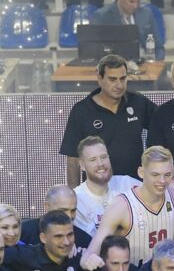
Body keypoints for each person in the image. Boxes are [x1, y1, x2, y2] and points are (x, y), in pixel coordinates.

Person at [82, 146, 174, 269]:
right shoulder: (121, 206)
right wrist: (88, 260)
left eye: (167, 174)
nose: (162, 181)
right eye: (155, 175)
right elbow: (91, 252)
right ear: (141, 172)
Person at [60, 55, 157, 186]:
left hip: (134, 189)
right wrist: (74, 195)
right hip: (97, 191)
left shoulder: (138, 103)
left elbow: (162, 125)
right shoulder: (82, 111)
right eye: (112, 79)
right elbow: (73, 159)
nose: (119, 85)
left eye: (123, 78)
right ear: (99, 78)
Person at [72, 136, 140, 237]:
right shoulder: (77, 200)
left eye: (103, 157)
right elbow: (91, 241)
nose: (100, 164)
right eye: (93, 160)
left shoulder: (127, 184)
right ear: (82, 165)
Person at [91, 0, 165, 60]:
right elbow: (94, 50)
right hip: (116, 64)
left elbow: (159, 48)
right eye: (131, 1)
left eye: (138, 2)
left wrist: (154, 62)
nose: (135, 6)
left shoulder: (146, 14)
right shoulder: (102, 16)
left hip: (144, 62)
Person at [19, 185, 92, 256]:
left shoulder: (84, 240)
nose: (69, 216)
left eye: (73, 210)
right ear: (47, 206)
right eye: (63, 210)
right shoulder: (22, 232)